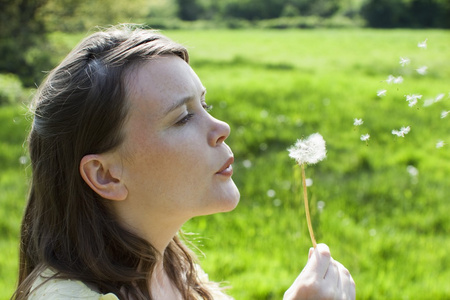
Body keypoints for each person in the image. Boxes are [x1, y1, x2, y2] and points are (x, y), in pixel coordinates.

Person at [12, 25, 355, 300]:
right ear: (106, 175)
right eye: (182, 118)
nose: (222, 128)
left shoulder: (175, 273)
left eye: (204, 105)